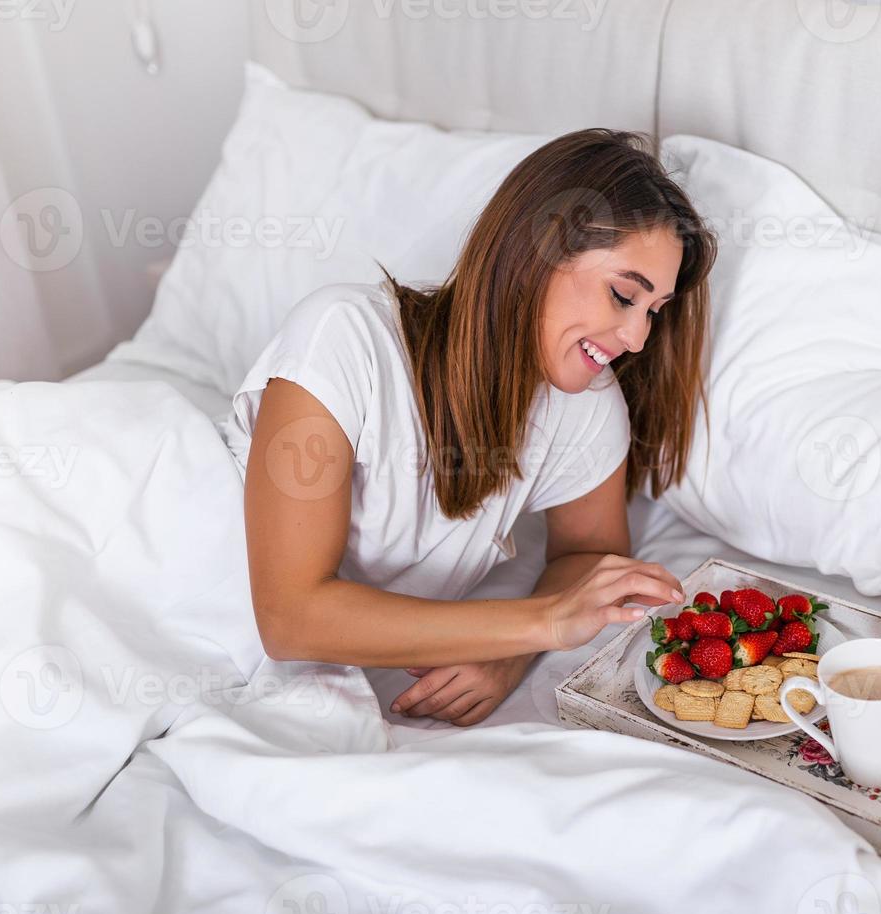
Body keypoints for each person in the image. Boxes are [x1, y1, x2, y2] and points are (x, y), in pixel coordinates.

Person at [221, 129, 717, 726]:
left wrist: (508, 657)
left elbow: (592, 552)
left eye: (653, 312)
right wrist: (541, 624)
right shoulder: (346, 339)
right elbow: (291, 618)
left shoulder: (584, 402)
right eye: (622, 296)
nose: (637, 339)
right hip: (170, 574)